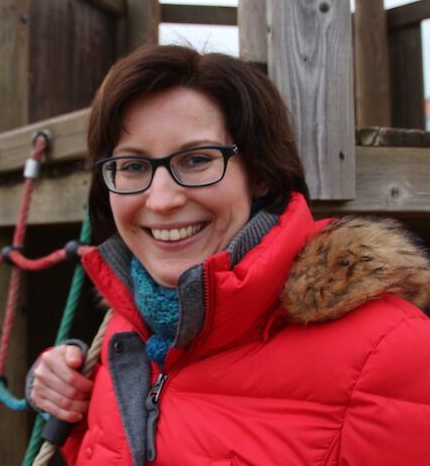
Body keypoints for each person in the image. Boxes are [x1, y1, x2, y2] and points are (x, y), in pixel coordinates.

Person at [27, 44, 430, 465]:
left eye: (197, 159)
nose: (161, 200)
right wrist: (65, 394)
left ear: (259, 173)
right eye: (132, 166)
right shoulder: (126, 324)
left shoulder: (389, 356)